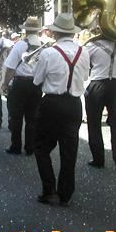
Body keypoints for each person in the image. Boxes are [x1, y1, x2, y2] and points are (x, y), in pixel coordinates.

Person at [32, 13, 89, 207]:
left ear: (55, 32)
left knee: (41, 147)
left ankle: (49, 190)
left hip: (52, 103)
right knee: (69, 150)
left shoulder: (49, 53)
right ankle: (66, 194)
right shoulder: (84, 52)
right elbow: (84, 76)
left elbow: (36, 80)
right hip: (74, 104)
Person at [85, 20, 116, 170]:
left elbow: (85, 67)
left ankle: (98, 158)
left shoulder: (91, 46)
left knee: (94, 122)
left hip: (97, 84)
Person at [1, 17, 43, 156]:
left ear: (25, 29)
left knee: (16, 116)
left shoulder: (20, 45)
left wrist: (5, 83)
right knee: (32, 118)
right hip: (36, 84)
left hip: (20, 83)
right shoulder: (43, 45)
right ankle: (30, 147)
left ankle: (16, 146)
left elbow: (11, 66)